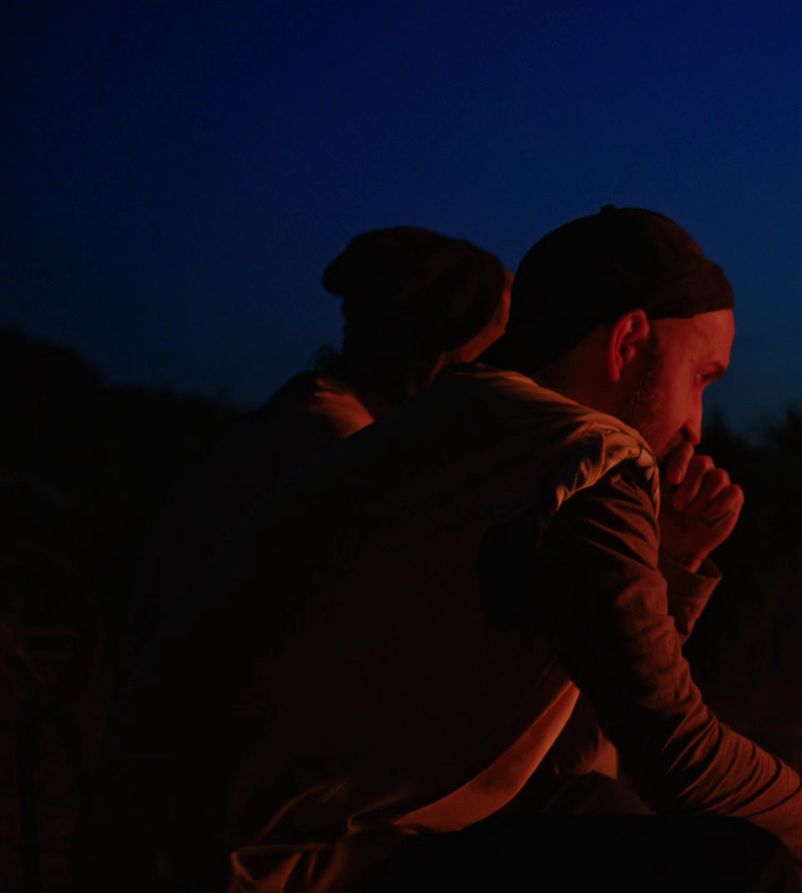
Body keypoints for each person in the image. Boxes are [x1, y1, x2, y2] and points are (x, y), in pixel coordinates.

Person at [108, 206, 802, 892]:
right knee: (740, 868)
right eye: (703, 379)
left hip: (184, 833)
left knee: (595, 813)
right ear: (628, 344)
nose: (698, 426)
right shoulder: (587, 454)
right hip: (282, 864)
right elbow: (678, 753)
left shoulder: (464, 424)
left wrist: (673, 565)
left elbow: (578, 749)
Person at [80, 227, 512, 889]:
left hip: (189, 802)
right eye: (490, 351)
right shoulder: (340, 450)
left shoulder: (315, 424)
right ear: (438, 350)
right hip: (216, 833)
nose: (499, 376)